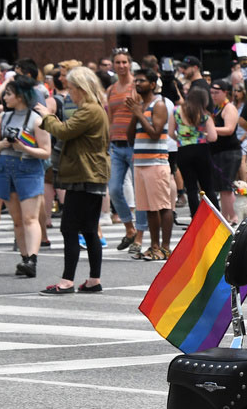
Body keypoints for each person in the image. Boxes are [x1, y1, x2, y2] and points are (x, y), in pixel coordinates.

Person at [34, 66, 110, 295]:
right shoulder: (94, 109)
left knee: (70, 228)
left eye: (71, 88)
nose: (69, 94)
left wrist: (46, 116)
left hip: (85, 174)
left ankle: (67, 281)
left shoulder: (90, 110)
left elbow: (65, 131)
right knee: (88, 229)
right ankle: (93, 279)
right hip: (90, 173)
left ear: (81, 88)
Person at [0, 74, 52, 278]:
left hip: (29, 168)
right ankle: (24, 257)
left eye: (8, 93)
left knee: (30, 217)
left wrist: (24, 147)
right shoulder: (2, 117)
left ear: (21, 96)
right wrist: (6, 144)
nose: (4, 97)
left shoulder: (37, 119)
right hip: (6, 168)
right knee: (16, 219)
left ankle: (32, 259)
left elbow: (46, 151)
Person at [127, 68, 173, 260]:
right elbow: (130, 138)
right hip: (140, 163)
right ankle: (153, 246)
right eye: (136, 81)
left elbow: (155, 133)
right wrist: (135, 114)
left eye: (142, 81)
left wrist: (139, 114)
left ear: (153, 84)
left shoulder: (159, 104)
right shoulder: (140, 106)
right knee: (148, 208)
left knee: (163, 206)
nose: (137, 84)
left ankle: (165, 247)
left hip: (156, 162)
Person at [106, 49, 139, 252]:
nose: (121, 66)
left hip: (134, 143)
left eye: (124, 62)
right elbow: (110, 116)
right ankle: (129, 228)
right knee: (115, 189)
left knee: (140, 192)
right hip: (115, 144)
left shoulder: (137, 85)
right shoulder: (111, 89)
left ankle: (140, 235)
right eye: (117, 62)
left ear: (129, 64)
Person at [170, 86, 219, 220]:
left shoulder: (176, 111)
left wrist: (181, 139)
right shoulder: (205, 115)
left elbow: (170, 133)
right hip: (201, 149)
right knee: (208, 186)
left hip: (183, 150)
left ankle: (196, 219)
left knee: (191, 188)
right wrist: (202, 135)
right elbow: (213, 137)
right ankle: (216, 217)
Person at [208, 79, 242, 224]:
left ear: (225, 93)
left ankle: (232, 216)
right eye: (211, 93)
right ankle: (225, 215)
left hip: (229, 152)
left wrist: (209, 130)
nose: (213, 96)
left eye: (216, 93)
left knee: (226, 187)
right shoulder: (215, 108)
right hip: (218, 151)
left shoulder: (229, 108)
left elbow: (229, 129)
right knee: (221, 187)